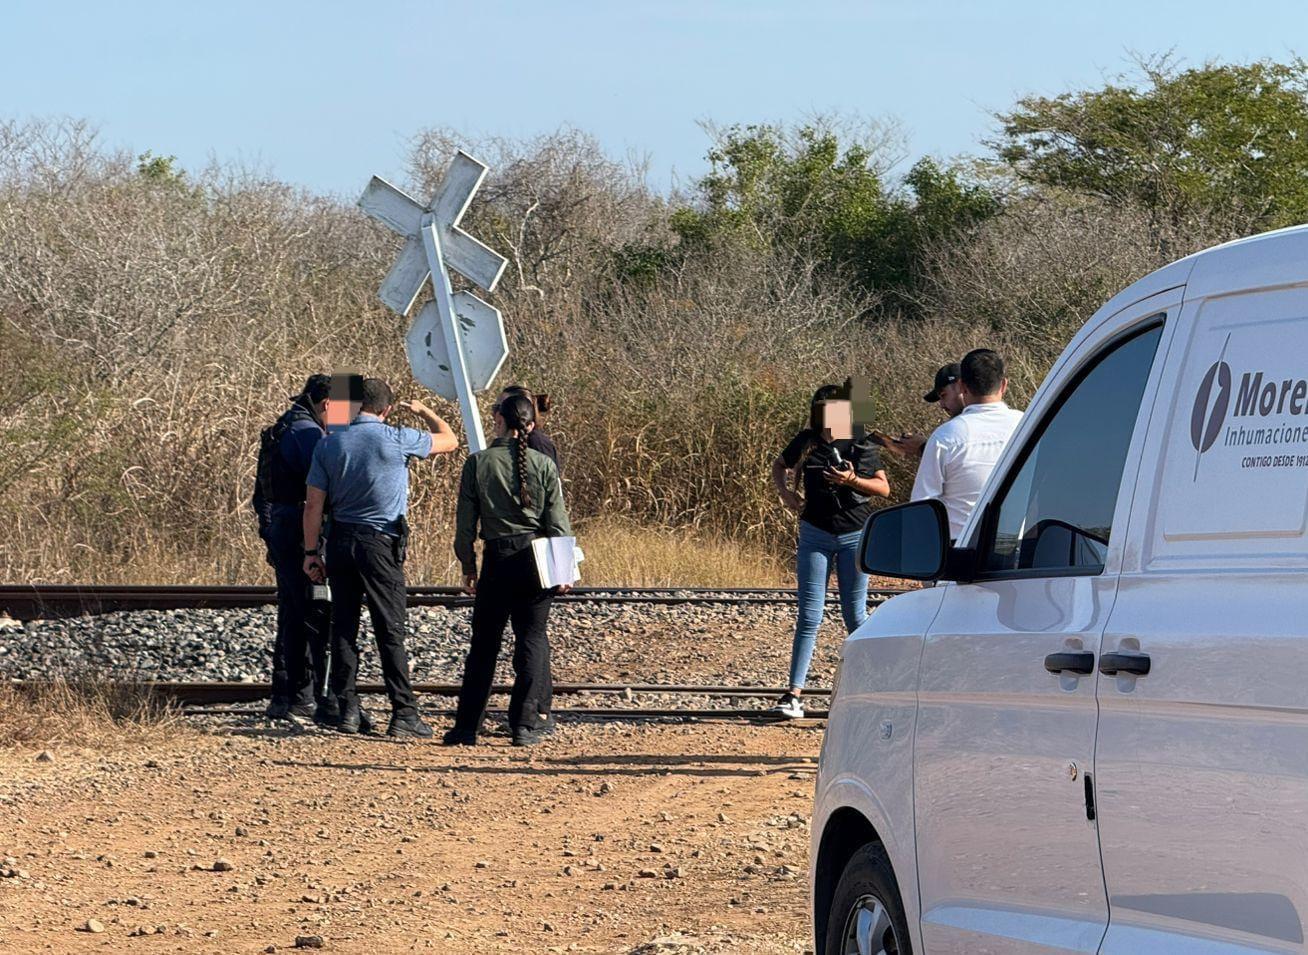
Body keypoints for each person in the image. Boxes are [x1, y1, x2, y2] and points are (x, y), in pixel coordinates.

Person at [302, 378, 458, 738]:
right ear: (387, 410)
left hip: (340, 541)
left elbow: (313, 506)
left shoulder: (328, 444)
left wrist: (311, 552)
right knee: (390, 630)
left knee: (344, 627)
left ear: (356, 407)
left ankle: (347, 710)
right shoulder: (398, 437)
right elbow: (449, 440)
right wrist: (425, 412)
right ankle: (403, 713)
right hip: (380, 544)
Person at [446, 393, 573, 747]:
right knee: (531, 641)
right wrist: (563, 570)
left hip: (497, 560)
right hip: (536, 560)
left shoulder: (477, 463)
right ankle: (525, 725)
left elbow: (465, 525)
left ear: (499, 421)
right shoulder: (543, 464)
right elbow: (558, 522)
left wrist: (468, 565)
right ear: (529, 425)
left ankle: (467, 727)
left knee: (484, 644)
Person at [769, 385, 891, 719]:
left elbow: (883, 487)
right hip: (815, 533)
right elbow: (779, 466)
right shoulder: (807, 441)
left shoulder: (860, 442)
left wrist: (851, 480)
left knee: (855, 615)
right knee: (810, 615)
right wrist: (787, 496)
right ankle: (793, 694)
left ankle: (878, 685)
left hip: (854, 534)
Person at [251, 374, 334, 724]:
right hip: (300, 526)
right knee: (311, 610)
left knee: (291, 611)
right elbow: (327, 480)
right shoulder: (308, 433)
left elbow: (262, 491)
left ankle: (284, 694)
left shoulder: (286, 425)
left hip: (282, 523)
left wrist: (269, 531)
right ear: (326, 404)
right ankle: (308, 695)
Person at [911, 349, 1024, 540]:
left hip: (961, 550)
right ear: (1004, 384)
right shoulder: (1027, 425)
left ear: (963, 386)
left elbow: (922, 507)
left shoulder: (945, 437)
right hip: (1019, 546)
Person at [871, 362, 964, 460]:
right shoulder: (958, 428)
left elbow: (961, 462)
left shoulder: (973, 425)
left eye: (944, 395)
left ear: (961, 386)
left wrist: (924, 447)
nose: (941, 405)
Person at [497, 384, 560, 471]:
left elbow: (549, 480)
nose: (497, 414)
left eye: (501, 408)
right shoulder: (511, 443)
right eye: (495, 408)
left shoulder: (537, 442)